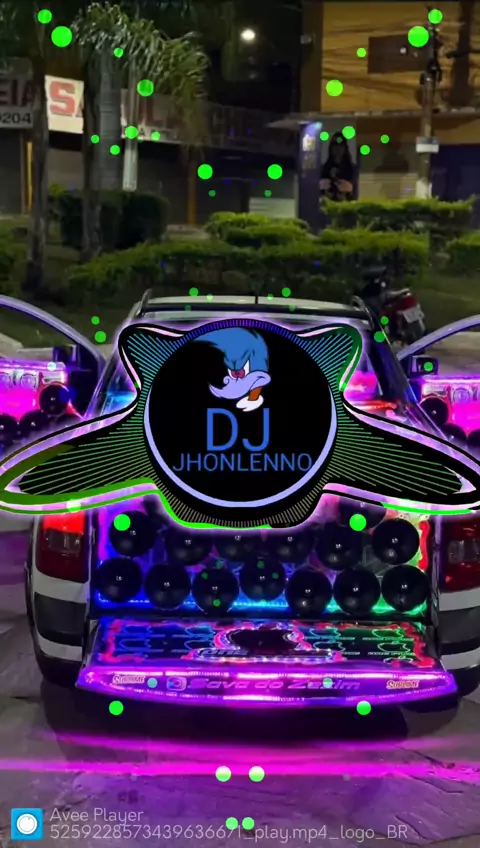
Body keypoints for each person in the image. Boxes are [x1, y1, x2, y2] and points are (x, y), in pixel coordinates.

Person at [319, 132, 355, 201]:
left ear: (345, 149)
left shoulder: (351, 168)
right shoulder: (325, 168)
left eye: (340, 147)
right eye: (335, 147)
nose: (337, 149)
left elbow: (354, 191)